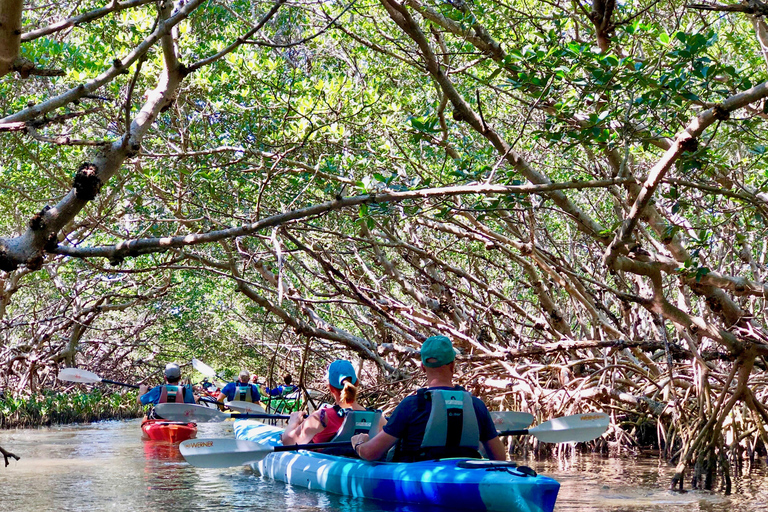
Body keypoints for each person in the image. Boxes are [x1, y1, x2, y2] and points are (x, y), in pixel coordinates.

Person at [350, 335, 506, 462]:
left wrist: (359, 443)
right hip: (465, 479)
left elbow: (371, 453)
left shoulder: (411, 405)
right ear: (453, 365)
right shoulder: (476, 405)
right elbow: (499, 458)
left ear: (422, 367)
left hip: (418, 479)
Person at [281, 360, 371, 445]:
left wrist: (293, 422)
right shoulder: (376, 418)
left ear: (330, 388)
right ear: (357, 383)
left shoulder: (322, 417)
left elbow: (287, 442)